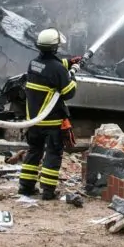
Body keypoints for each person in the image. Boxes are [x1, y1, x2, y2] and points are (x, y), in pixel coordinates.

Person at [18, 28, 80, 200]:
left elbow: (49, 68)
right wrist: (73, 75)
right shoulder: (58, 69)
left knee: (34, 151)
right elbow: (68, 92)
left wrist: (68, 62)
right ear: (55, 47)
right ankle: (47, 191)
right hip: (52, 121)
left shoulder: (34, 64)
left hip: (34, 121)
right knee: (53, 154)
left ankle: (25, 187)